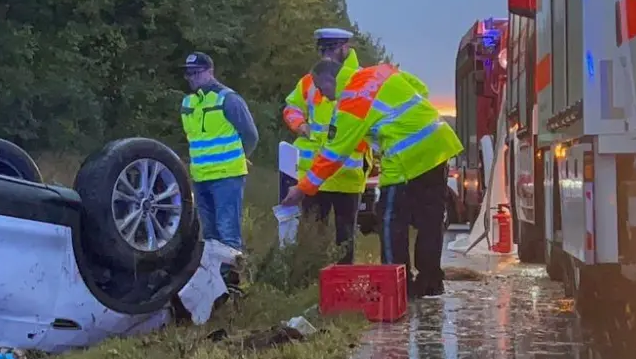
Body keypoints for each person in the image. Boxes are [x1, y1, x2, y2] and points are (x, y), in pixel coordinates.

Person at [282, 59, 462, 297]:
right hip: (439, 145)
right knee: (431, 220)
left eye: (321, 89)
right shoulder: (380, 71)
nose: (324, 97)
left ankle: (398, 286)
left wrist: (303, 189)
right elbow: (421, 88)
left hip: (406, 157)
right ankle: (430, 282)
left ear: (329, 79)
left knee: (389, 219)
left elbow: (334, 154)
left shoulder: (352, 101)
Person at [282, 28, 370, 263]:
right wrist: (301, 125)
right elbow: (291, 107)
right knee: (312, 233)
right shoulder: (310, 80)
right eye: (322, 50)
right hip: (313, 173)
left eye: (330, 50)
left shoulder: (361, 80)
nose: (326, 55)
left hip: (347, 172)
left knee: (345, 236)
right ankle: (314, 280)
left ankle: (344, 283)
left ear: (346, 48)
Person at [180, 52, 259, 251]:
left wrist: (242, 156)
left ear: (210, 71)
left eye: (196, 72)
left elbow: (250, 135)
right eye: (188, 73)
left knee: (228, 233)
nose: (191, 77)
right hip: (200, 176)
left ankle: (231, 279)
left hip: (227, 176)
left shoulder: (228, 99)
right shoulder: (188, 103)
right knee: (209, 235)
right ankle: (215, 279)